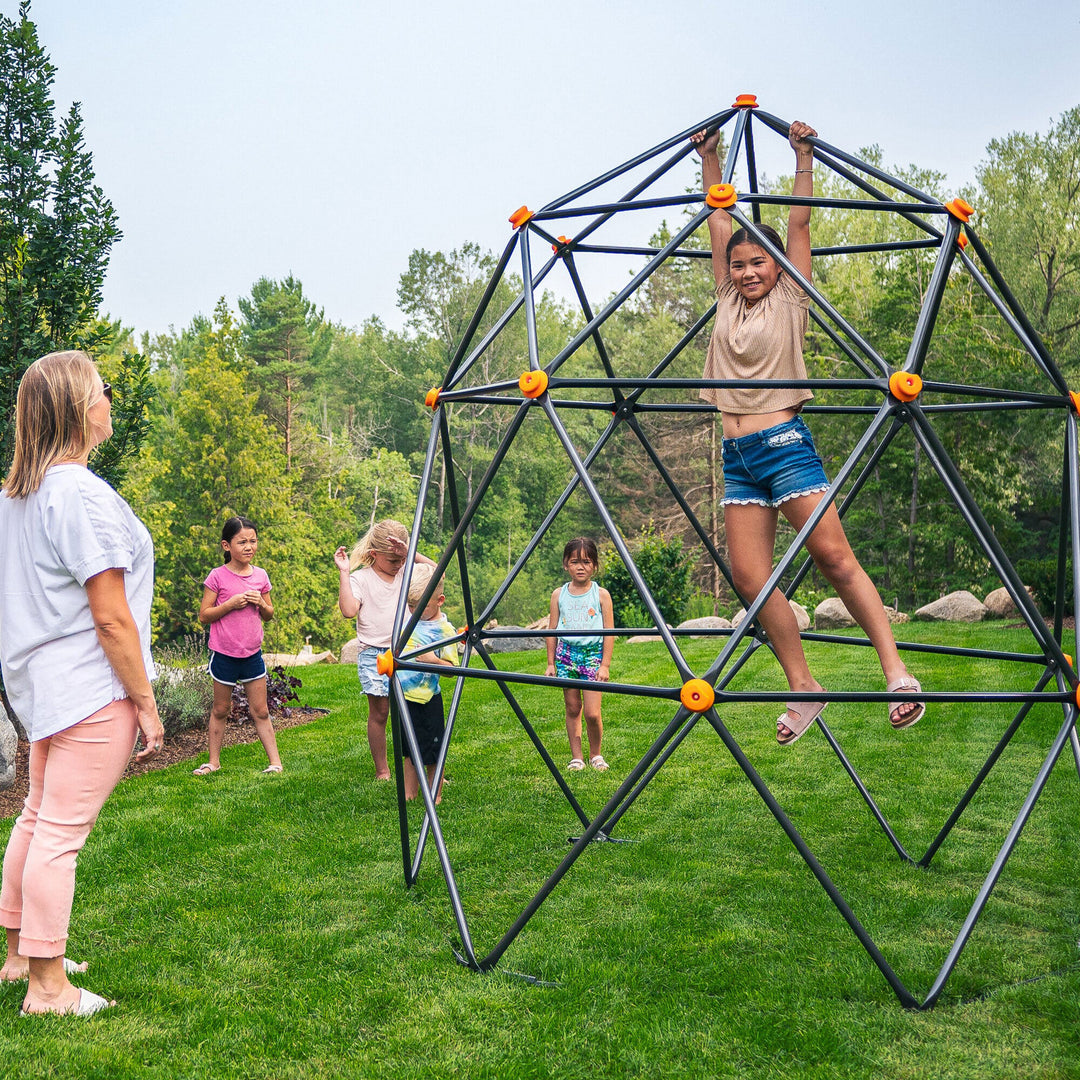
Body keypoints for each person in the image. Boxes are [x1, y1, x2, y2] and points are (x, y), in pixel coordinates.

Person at [692, 120, 925, 745]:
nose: (746, 272)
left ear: (775, 267)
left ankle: (897, 674)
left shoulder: (792, 296)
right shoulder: (725, 297)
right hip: (737, 454)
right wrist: (710, 160)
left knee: (834, 558)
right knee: (749, 578)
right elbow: (719, 222)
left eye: (756, 262)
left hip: (784, 447)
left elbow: (799, 225)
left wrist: (802, 157)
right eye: (738, 264)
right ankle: (805, 687)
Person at [0, 350, 163, 1016]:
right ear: (78, 410)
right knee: (58, 833)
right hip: (92, 690)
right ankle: (48, 987)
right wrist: (147, 704)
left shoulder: (18, 495)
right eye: (103, 391)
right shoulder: (80, 496)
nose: (109, 402)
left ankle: (20, 956)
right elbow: (111, 618)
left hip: (43, 687)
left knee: (36, 821)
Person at [334, 520, 435, 780]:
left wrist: (410, 552)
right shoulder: (361, 579)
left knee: (416, 708)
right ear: (373, 555)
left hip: (406, 650)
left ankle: (427, 765)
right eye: (393, 561)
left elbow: (437, 575)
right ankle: (382, 769)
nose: (398, 565)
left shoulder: (404, 571)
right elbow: (348, 610)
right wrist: (344, 572)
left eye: (402, 560)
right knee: (380, 712)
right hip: (374, 654)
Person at [194, 516, 282, 776]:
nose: (249, 547)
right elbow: (204, 615)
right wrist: (230, 604)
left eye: (253, 541)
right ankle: (213, 762)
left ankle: (275, 763)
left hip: (252, 655)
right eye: (242, 541)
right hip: (224, 655)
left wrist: (262, 604)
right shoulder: (217, 576)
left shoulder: (261, 576)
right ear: (226, 545)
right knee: (221, 709)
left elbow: (269, 614)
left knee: (261, 710)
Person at [545, 538, 615, 771]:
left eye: (586, 561)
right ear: (566, 564)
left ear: (594, 565)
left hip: (592, 655)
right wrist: (551, 663)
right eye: (575, 561)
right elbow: (552, 629)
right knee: (573, 708)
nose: (580, 566)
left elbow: (609, 632)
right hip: (566, 654)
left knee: (593, 713)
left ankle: (596, 754)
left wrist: (604, 665)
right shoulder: (559, 594)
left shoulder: (601, 594)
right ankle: (577, 757)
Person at [396, 564, 456, 803]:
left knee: (432, 752)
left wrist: (432, 660)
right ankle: (409, 795)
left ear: (440, 600)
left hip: (428, 699)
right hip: (403, 696)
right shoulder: (408, 620)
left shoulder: (444, 630)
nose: (414, 611)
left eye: (421, 606)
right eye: (411, 606)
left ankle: (435, 796)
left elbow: (453, 670)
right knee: (409, 751)